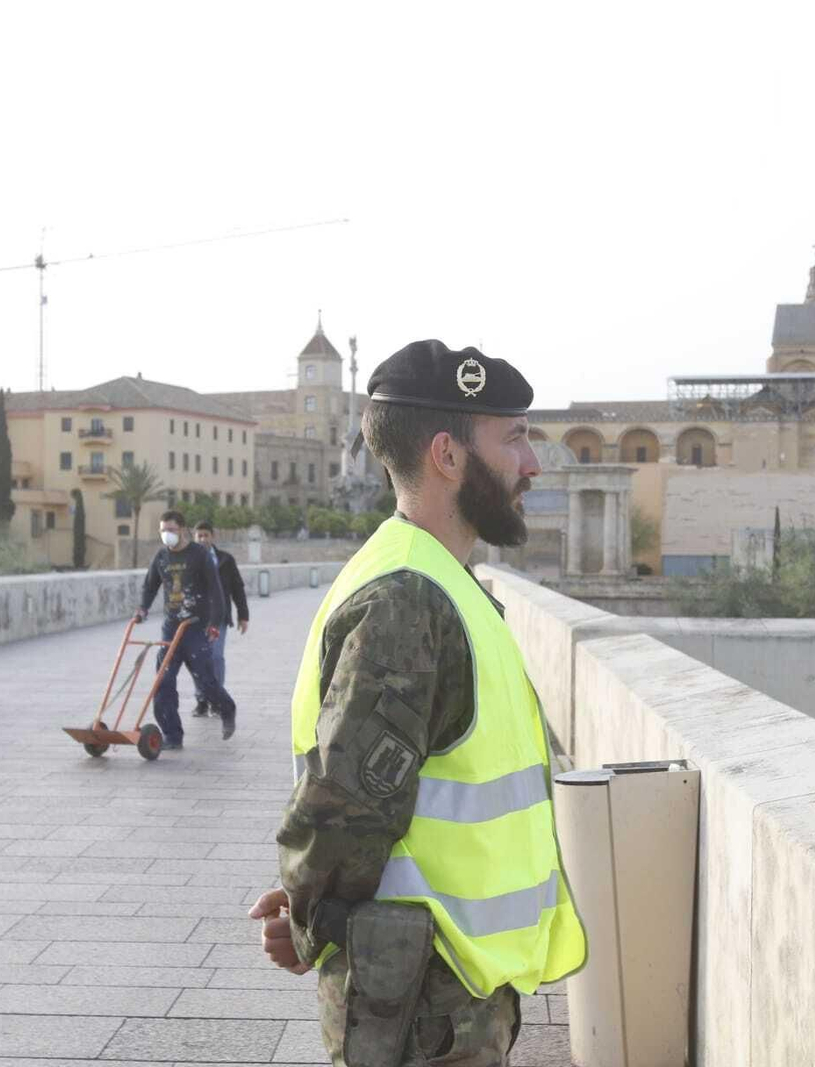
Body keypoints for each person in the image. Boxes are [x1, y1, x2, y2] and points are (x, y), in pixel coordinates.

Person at [248, 341, 586, 1067]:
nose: (531, 465)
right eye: (515, 438)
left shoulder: (437, 581)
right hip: (420, 1008)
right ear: (448, 455)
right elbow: (341, 807)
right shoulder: (407, 598)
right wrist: (311, 919)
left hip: (441, 990)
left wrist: (308, 904)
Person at [133, 510, 238, 746]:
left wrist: (214, 623)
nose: (166, 534)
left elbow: (215, 590)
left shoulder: (199, 555)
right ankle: (172, 735)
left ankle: (227, 708)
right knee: (163, 681)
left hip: (195, 628)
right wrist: (142, 609)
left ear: (182, 530)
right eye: (163, 530)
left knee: (206, 681)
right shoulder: (161, 558)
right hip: (171, 629)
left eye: (171, 530)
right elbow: (150, 586)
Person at [190, 520, 249, 718]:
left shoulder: (225, 560)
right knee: (198, 660)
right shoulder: (188, 561)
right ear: (194, 537)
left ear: (212, 537)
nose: (203, 539)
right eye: (199, 535)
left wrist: (243, 615)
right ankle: (201, 701)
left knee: (215, 657)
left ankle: (216, 699)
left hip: (219, 617)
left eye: (206, 535)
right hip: (195, 619)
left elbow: (237, 588)